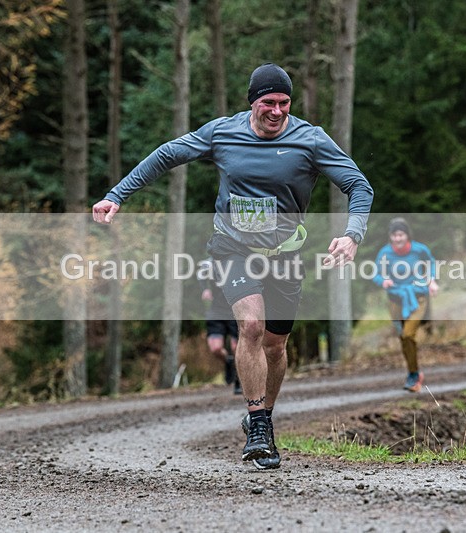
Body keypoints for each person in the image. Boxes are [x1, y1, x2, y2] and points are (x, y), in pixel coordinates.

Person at [92, 63, 373, 470]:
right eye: (268, 103)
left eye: (284, 103)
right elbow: (169, 154)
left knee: (276, 347)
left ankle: (261, 417)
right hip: (232, 248)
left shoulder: (310, 139)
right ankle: (259, 426)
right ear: (252, 103)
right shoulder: (223, 132)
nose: (277, 111)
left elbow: (357, 184)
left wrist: (352, 234)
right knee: (252, 326)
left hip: (285, 256)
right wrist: (117, 195)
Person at [372, 217, 438, 392]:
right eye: (394, 235)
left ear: (407, 235)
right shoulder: (385, 253)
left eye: (400, 235)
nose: (397, 239)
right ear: (390, 237)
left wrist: (431, 280)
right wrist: (383, 281)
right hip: (396, 300)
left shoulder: (419, 250)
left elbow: (431, 263)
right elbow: (376, 274)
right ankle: (413, 374)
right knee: (403, 338)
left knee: (408, 334)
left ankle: (414, 375)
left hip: (418, 297)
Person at [198, 257, 241, 395]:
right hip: (216, 310)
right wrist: (204, 289)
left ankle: (239, 380)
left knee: (237, 348)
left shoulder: (240, 260)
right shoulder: (212, 262)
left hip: (235, 309)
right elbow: (201, 272)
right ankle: (229, 362)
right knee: (215, 348)